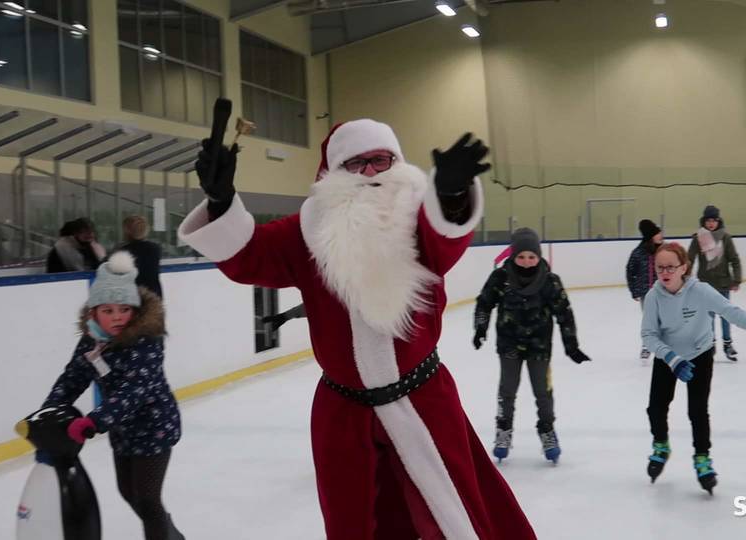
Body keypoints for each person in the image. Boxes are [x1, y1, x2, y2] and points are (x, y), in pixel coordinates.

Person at [178, 119, 536, 539]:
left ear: (396, 163)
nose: (369, 172)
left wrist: (451, 194)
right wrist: (222, 203)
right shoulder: (306, 232)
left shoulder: (416, 221)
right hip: (343, 412)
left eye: (380, 160)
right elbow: (250, 257)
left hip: (423, 399)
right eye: (356, 163)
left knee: (453, 517)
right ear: (333, 174)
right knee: (356, 523)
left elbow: (447, 239)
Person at [40, 251, 183, 540]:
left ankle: (165, 535)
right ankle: (169, 533)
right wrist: (49, 410)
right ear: (94, 312)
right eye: (108, 311)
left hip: (154, 426)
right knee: (127, 491)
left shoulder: (147, 340)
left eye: (124, 309)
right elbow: (73, 377)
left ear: (135, 309)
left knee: (147, 498)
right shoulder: (91, 341)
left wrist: (95, 420)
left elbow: (135, 390)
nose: (117, 317)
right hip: (122, 429)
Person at [641, 243, 746, 494]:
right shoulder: (654, 296)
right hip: (669, 357)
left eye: (670, 267)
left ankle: (702, 457)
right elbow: (648, 336)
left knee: (697, 410)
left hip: (700, 354)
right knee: (656, 406)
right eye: (659, 267)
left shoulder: (700, 291)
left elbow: (732, 313)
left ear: (683, 268)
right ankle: (661, 445)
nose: (664, 272)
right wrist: (673, 359)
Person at [473, 227, 591, 464]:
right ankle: (503, 431)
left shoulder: (549, 281)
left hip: (539, 347)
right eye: (521, 256)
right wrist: (480, 328)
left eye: (532, 256)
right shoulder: (501, 278)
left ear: (539, 256)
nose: (526, 262)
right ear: (513, 256)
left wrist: (572, 346)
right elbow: (484, 303)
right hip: (509, 345)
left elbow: (564, 314)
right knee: (507, 391)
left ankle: (547, 431)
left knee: (543, 393)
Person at [687, 205, 743, 361]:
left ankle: (728, 344)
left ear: (718, 221)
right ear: (704, 221)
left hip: (723, 284)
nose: (711, 224)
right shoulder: (698, 238)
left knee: (725, 316)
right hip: (705, 285)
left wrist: (736, 279)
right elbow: (689, 260)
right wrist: (684, 277)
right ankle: (710, 345)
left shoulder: (725, 238)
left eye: (714, 220)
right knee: (708, 317)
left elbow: (734, 260)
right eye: (708, 221)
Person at [626, 219, 664, 361]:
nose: (661, 236)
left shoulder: (663, 250)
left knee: (664, 318)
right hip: (646, 293)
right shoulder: (638, 252)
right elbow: (630, 270)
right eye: (657, 233)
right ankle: (646, 346)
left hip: (663, 291)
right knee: (649, 320)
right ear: (650, 236)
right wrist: (634, 290)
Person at [115, 215, 163, 298]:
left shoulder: (124, 251)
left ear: (127, 231)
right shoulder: (155, 248)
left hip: (132, 296)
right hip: (154, 295)